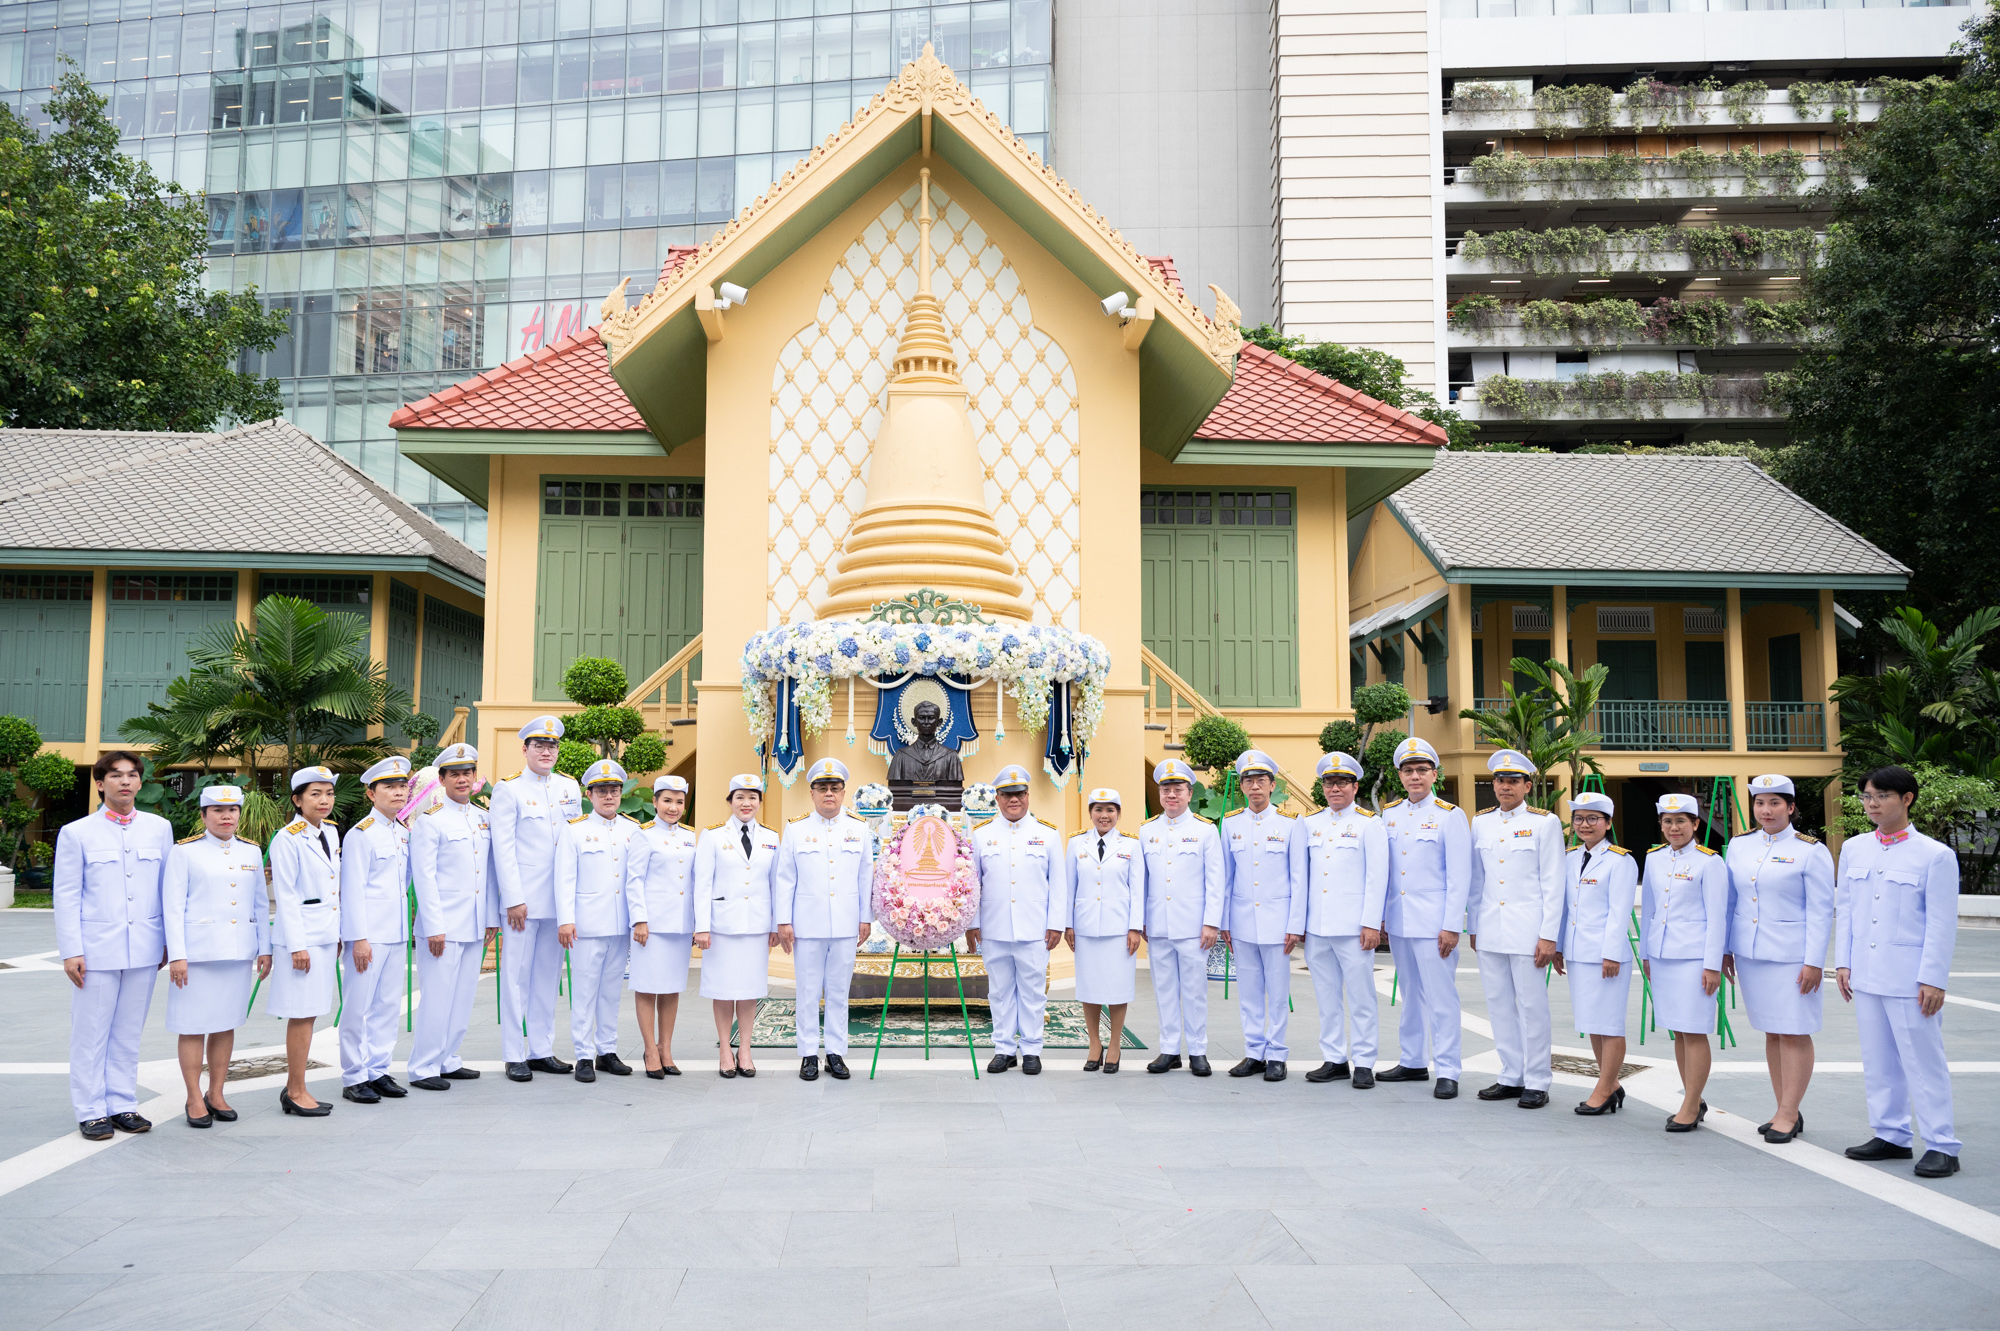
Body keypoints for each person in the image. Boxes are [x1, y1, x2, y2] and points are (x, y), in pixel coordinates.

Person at [1838, 765, 1962, 1178]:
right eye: (1867, 797)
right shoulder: (1855, 848)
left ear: (1906, 799)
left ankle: (1942, 1144)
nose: (1872, 805)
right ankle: (1891, 1134)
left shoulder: (1935, 855)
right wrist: (1843, 961)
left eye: (1881, 797)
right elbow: (1848, 909)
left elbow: (1942, 922)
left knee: (1923, 1060)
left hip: (1911, 976)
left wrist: (1933, 978)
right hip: (1867, 974)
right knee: (1878, 1060)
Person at [54, 751, 172, 1140]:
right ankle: (90, 1110)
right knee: (91, 1032)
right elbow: (67, 895)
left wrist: (169, 943)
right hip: (96, 949)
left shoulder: (159, 828)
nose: (125, 781)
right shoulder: (77, 832)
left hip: (144, 947)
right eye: (116, 775)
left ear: (140, 782)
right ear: (100, 783)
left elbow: (166, 891)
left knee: (128, 1031)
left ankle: (122, 1103)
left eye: (132, 775)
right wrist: (72, 950)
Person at [1724, 773, 1835, 1144]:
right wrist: (1725, 949)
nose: (1766, 810)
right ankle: (1782, 1107)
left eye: (1774, 803)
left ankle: (1790, 1112)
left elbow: (1822, 911)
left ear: (1790, 807)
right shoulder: (1739, 846)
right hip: (1751, 953)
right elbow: (1731, 902)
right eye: (1759, 803)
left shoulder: (1810, 850)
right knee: (1772, 1030)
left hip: (1792, 956)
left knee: (1794, 1030)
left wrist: (1814, 961)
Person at [162, 785, 270, 1128]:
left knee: (226, 1024)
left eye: (233, 811)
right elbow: (172, 907)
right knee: (192, 1026)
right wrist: (177, 954)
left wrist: (264, 947)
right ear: (204, 815)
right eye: (218, 811)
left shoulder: (251, 852)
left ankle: (217, 1092)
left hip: (238, 952)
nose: (226, 817)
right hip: (197, 954)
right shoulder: (185, 852)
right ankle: (194, 1096)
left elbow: (260, 904)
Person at [1467, 749, 1565, 1108]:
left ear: (1527, 785)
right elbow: (1477, 880)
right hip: (1491, 926)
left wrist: (1549, 935)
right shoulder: (1481, 822)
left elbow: (1555, 883)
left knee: (1531, 1006)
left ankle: (1538, 1079)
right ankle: (1511, 1074)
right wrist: (1474, 924)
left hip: (1529, 930)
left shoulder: (1544, 823)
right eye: (1499, 781)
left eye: (1513, 781)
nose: (1505, 787)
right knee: (1498, 1004)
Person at [490, 715, 582, 1083]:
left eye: (552, 746)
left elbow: (572, 845)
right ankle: (514, 1053)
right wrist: (513, 898)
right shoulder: (508, 789)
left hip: (558, 901)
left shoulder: (569, 787)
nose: (546, 752)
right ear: (525, 749)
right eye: (539, 746)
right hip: (523, 902)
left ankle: (541, 1049)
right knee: (515, 977)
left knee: (548, 976)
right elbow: (503, 847)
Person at [1379, 738, 1472, 1099]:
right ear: (1400, 776)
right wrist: (1382, 917)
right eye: (1408, 770)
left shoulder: (1450, 815)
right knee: (1410, 994)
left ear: (1435, 774)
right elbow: (1387, 872)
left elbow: (1459, 876)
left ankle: (1448, 1069)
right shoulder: (1390, 814)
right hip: (1400, 922)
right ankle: (1413, 1059)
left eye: (1421, 770)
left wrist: (1451, 925)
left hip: (1435, 925)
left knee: (1441, 997)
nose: (1415, 776)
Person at [775, 758, 875, 1081]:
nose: (828, 793)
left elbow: (865, 878)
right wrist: (784, 921)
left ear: (844, 792)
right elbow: (784, 878)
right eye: (822, 788)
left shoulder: (859, 829)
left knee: (837, 990)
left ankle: (834, 1052)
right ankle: (807, 1053)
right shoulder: (796, 829)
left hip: (846, 925)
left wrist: (865, 918)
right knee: (806, 990)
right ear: (812, 793)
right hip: (807, 924)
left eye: (835, 788)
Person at [407, 743, 498, 1090]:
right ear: (442, 780)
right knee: (437, 996)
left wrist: (491, 918)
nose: (462, 779)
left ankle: (449, 1058)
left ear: (475, 778)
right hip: (442, 926)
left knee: (462, 997)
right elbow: (424, 877)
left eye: (467, 773)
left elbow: (488, 874)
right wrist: (433, 926)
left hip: (474, 924)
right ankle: (424, 1066)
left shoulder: (482, 819)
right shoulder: (430, 822)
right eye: (454, 774)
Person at [1640, 792, 1729, 1132]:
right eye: (1667, 821)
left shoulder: (1710, 861)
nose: (1674, 827)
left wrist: (1711, 965)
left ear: (1695, 824)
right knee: (1678, 1030)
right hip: (1663, 956)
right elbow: (1649, 909)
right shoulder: (1655, 859)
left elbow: (1716, 917)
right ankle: (1694, 1096)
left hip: (1694, 958)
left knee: (1694, 1031)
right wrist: (1647, 954)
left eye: (1681, 821)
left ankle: (1691, 1103)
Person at [1297, 752, 1387, 1088]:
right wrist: (1301, 923)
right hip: (1318, 926)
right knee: (1326, 996)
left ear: (1355, 786)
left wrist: (1371, 923)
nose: (1335, 788)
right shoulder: (1310, 823)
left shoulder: (1369, 823)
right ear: (1323, 787)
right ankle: (1334, 1058)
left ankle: (1364, 1061)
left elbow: (1377, 878)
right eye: (1329, 782)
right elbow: (1301, 877)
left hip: (1353, 928)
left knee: (1362, 996)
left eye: (1342, 782)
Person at [969, 764, 1066, 1074]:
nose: (1014, 799)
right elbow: (972, 884)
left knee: (1034, 991)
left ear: (1028, 795)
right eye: (1008, 794)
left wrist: (1055, 923)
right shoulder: (982, 835)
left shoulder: (1047, 834)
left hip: (1035, 929)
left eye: (1020, 793)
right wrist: (973, 924)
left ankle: (1032, 1050)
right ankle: (1004, 1049)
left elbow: (1059, 885)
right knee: (999, 992)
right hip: (994, 928)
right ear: (997, 798)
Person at [1220, 749, 1306, 1082]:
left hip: (1278, 923)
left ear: (1272, 786)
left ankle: (1277, 1054)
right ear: (1241, 786)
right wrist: (1225, 921)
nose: (1255, 787)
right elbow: (1226, 878)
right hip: (1241, 923)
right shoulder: (1231, 824)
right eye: (1249, 781)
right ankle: (1254, 1052)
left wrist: (1295, 924)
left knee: (1278, 990)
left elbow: (1299, 878)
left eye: (1261, 781)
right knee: (1250, 992)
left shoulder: (1289, 825)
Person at [556, 759, 639, 1082]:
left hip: (620, 926)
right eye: (602, 791)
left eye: (614, 791)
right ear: (589, 794)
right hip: (586, 926)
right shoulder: (575, 830)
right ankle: (584, 1055)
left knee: (610, 991)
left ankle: (607, 1050)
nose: (609, 797)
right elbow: (564, 879)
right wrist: (566, 920)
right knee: (586, 990)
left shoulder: (632, 830)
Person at [268, 765, 344, 1117]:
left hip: (325, 935)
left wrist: (339, 933)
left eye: (328, 793)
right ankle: (295, 1090)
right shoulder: (288, 838)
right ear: (297, 800)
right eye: (315, 794)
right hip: (302, 940)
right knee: (301, 1014)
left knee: (311, 1012)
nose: (324, 800)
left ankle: (296, 1086)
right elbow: (285, 895)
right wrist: (297, 945)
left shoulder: (329, 832)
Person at [1138, 759, 1223, 1076]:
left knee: (1195, 991)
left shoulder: (1204, 831)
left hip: (1193, 928)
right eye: (1166, 789)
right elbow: (1141, 882)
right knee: (1164, 990)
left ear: (1189, 793)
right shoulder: (1147, 831)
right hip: (1159, 927)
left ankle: (1198, 1050)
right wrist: (1141, 921)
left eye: (1177, 790)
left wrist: (1211, 923)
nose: (1171, 795)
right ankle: (1169, 1050)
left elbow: (1216, 882)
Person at [693, 774, 781, 1078]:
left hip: (756, 926)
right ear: (730, 801)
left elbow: (775, 885)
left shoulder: (772, 837)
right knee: (723, 988)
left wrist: (775, 925)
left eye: (753, 797)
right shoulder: (713, 835)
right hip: (721, 927)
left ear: (759, 802)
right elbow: (701, 884)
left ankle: (745, 1049)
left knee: (749, 989)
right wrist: (701, 927)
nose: (747, 803)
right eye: (740, 797)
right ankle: (724, 1050)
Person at [338, 756, 413, 1105]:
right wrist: (359, 938)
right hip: (369, 936)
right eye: (389, 786)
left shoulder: (402, 832)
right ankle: (354, 1076)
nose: (398, 792)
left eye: (402, 786)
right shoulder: (360, 834)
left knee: (386, 1006)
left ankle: (379, 1070)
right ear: (371, 793)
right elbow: (351, 889)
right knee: (359, 1007)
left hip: (396, 933)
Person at [1563, 791, 1637, 1116]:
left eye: (1593, 819)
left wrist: (1610, 953)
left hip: (1607, 957)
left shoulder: (1621, 861)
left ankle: (1604, 1088)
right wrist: (1559, 947)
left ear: (1607, 823)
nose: (1585, 824)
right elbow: (1566, 908)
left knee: (1609, 1023)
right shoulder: (1568, 858)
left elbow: (1620, 912)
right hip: (1578, 952)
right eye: (1579, 818)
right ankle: (1612, 1082)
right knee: (1592, 1021)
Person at [1065, 788, 1144, 1073]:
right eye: (1098, 809)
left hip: (1119, 929)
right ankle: (1094, 1043)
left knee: (1117, 988)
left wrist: (1135, 928)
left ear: (1118, 814)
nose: (1104, 815)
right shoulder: (1076, 843)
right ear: (1090, 813)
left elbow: (1138, 889)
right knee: (1089, 987)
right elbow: (1068, 887)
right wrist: (1068, 923)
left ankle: (1115, 1044)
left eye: (1110, 810)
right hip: (1085, 927)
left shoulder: (1131, 846)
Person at [625, 774, 698, 1077]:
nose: (673, 807)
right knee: (647, 987)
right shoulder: (644, 835)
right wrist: (640, 919)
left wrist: (697, 923)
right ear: (655, 802)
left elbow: (696, 883)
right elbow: (634, 880)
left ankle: (665, 1048)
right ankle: (649, 1049)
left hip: (679, 925)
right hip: (651, 926)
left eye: (679, 801)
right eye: (667, 800)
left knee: (671, 989)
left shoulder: (691, 836)